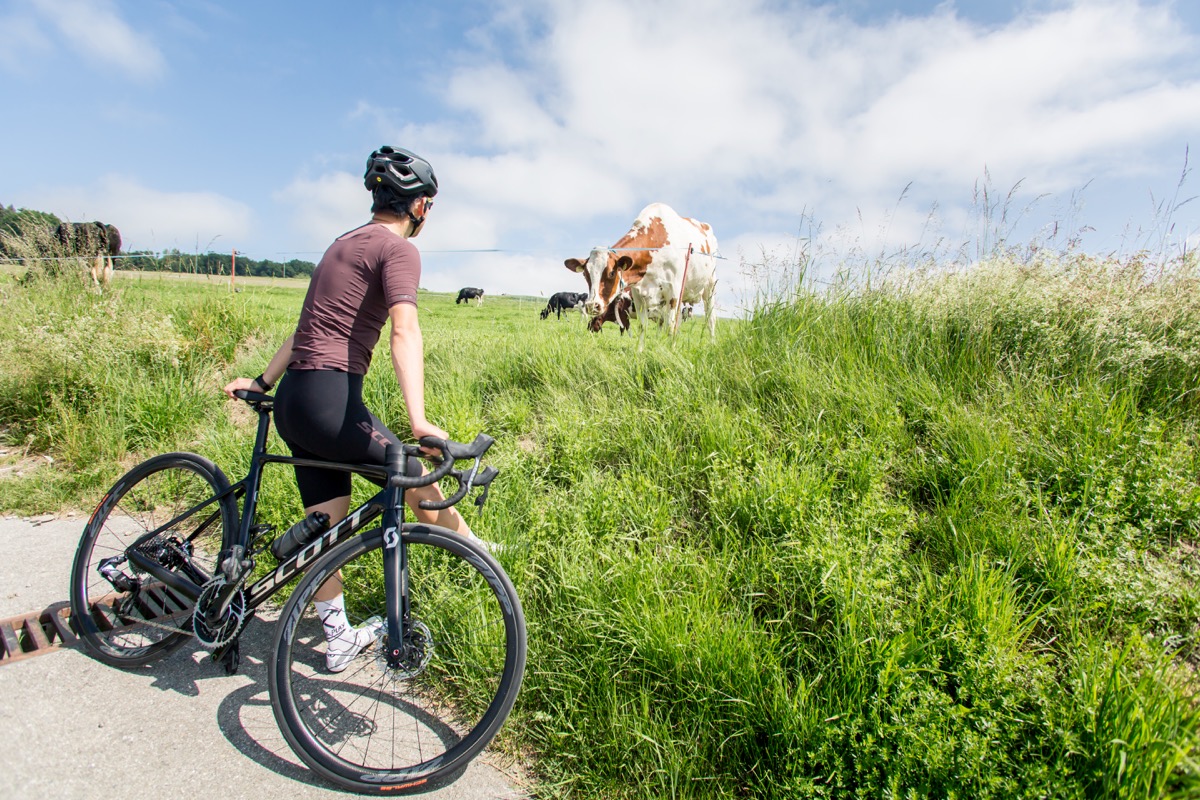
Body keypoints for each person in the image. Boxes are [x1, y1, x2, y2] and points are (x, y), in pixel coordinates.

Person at [223, 145, 477, 673]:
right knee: (406, 467)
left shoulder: (341, 244)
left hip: (295, 401)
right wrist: (419, 419)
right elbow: (404, 330)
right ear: (421, 207)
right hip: (331, 401)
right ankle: (480, 555)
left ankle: (337, 636)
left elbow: (303, 331)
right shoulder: (399, 250)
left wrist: (262, 381)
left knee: (324, 522)